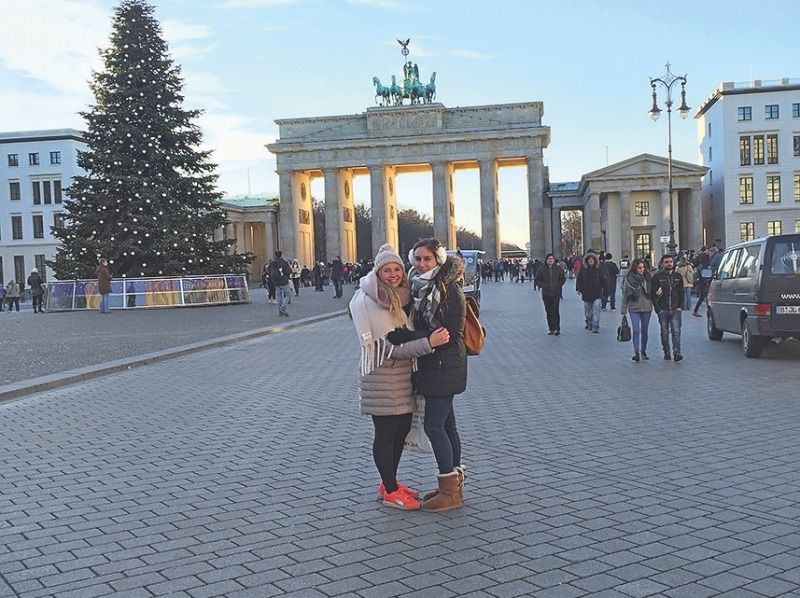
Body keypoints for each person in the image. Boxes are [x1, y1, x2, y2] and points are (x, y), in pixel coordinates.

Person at [349, 244, 450, 511]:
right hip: (382, 377)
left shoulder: (399, 297)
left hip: (401, 378)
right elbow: (391, 348)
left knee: (399, 432)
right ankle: (390, 490)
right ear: (377, 273)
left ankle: (388, 483)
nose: (393, 274)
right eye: (387, 270)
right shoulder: (373, 301)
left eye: (396, 269)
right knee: (385, 434)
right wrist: (430, 342)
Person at [407, 238, 467, 512]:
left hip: (445, 367)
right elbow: (432, 334)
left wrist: (412, 337)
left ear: (438, 260)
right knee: (447, 426)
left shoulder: (449, 289)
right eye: (417, 259)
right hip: (433, 366)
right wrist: (426, 338)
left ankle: (449, 491)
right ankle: (453, 484)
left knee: (434, 427)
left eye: (427, 259)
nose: (421, 264)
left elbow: (450, 334)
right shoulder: (418, 287)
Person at [651, 254, 685, 362]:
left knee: (676, 331)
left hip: (675, 309)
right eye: (666, 262)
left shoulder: (678, 276)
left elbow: (681, 292)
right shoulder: (657, 277)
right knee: (664, 332)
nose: (669, 264)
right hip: (663, 309)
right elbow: (653, 294)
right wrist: (658, 309)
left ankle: (677, 352)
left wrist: (680, 306)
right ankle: (666, 351)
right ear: (662, 264)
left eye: (670, 261)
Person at [620, 258, 654, 362]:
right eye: (639, 268)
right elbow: (625, 295)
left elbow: (653, 292)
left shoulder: (648, 278)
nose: (642, 269)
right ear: (635, 268)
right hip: (634, 307)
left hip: (647, 307)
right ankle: (636, 352)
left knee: (644, 331)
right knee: (636, 330)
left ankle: (643, 350)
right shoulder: (628, 279)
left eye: (643, 267)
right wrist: (623, 311)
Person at [576, 252, 608, 333]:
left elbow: (604, 280)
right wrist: (578, 289)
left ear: (595, 260)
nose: (590, 261)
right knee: (588, 312)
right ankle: (589, 322)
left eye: (592, 259)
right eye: (589, 260)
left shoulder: (599, 269)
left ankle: (595, 326)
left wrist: (606, 291)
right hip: (586, 293)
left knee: (596, 310)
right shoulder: (583, 269)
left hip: (597, 293)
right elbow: (579, 279)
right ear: (586, 261)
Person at [534, 253, 566, 335]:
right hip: (546, 293)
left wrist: (558, 285)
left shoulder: (558, 269)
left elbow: (563, 278)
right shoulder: (542, 269)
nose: (551, 260)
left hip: (556, 293)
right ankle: (551, 328)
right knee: (548, 311)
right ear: (546, 260)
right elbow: (537, 280)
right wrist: (543, 285)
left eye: (552, 258)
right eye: (549, 259)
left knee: (555, 310)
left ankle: (557, 328)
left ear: (554, 260)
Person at [269, 251, 292, 317]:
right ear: (281, 255)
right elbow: (288, 271)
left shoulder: (272, 263)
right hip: (283, 281)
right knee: (288, 294)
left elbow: (269, 271)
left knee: (279, 296)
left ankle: (280, 312)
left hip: (276, 282)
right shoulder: (284, 262)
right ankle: (283, 308)